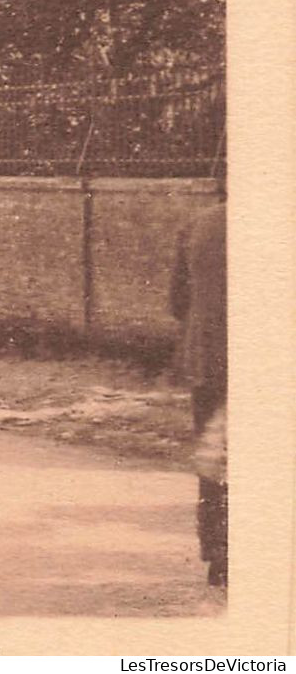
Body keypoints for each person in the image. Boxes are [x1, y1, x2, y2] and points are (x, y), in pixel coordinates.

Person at [170, 200, 228, 588]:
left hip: (207, 360)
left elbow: (177, 304)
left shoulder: (198, 222)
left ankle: (218, 552)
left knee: (215, 457)